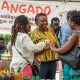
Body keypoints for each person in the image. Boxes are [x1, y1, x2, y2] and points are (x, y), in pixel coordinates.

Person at [50, 10, 80, 80]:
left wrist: (53, 48)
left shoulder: (76, 35)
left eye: (69, 22)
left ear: (73, 23)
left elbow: (62, 50)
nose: (68, 24)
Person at [29, 13, 60, 79]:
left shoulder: (50, 29)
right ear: (36, 22)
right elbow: (32, 52)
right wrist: (45, 49)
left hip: (53, 61)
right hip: (41, 64)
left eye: (46, 20)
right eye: (42, 21)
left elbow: (56, 43)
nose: (45, 23)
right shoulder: (33, 34)